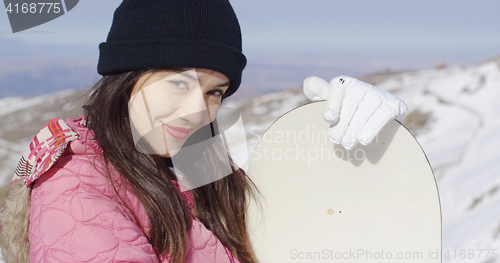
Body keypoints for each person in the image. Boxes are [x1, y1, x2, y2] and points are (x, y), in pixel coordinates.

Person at [0, 0, 407, 262]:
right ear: (125, 77)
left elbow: (292, 231)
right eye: (179, 82)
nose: (199, 111)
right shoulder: (76, 183)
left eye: (216, 91)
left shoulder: (195, 162)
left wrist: (361, 143)